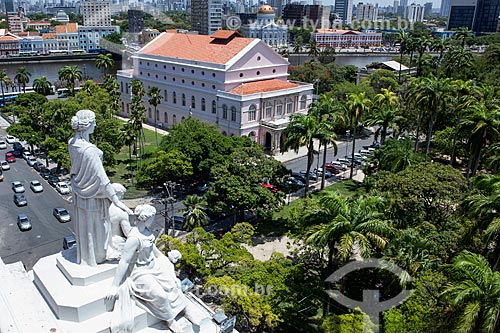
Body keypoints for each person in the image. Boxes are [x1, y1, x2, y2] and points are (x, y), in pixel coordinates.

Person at [106, 204, 206, 333]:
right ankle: (170, 319)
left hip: (155, 267)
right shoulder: (134, 238)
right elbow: (124, 262)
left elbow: (157, 253)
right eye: (152, 218)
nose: (153, 220)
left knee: (174, 285)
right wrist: (115, 286)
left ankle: (185, 309)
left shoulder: (147, 233)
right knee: (161, 295)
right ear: (146, 218)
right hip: (141, 272)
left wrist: (168, 263)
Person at [68, 109, 133, 267]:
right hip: (94, 198)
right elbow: (102, 179)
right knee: (98, 229)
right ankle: (97, 257)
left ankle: (87, 256)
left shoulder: (72, 143)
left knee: (86, 228)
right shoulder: (89, 151)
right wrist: (116, 200)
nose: (96, 124)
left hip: (80, 194)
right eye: (94, 121)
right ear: (88, 124)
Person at [107, 183, 133, 260]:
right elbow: (128, 233)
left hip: (105, 242)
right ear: (117, 194)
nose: (123, 197)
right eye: (122, 194)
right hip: (116, 243)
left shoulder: (103, 208)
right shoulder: (121, 212)